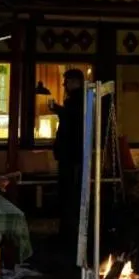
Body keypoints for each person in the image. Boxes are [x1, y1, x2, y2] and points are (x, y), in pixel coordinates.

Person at [51, 69, 86, 242]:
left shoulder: (77, 101)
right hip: (72, 154)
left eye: (66, 82)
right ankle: (68, 232)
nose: (64, 85)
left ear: (75, 82)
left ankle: (68, 234)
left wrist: (59, 110)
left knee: (69, 194)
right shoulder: (78, 100)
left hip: (71, 155)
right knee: (69, 194)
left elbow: (72, 123)